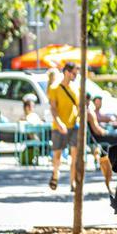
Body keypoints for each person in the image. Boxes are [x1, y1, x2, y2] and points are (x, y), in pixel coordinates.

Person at [47, 62, 81, 192]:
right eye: (74, 73)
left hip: (74, 126)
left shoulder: (75, 88)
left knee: (74, 156)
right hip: (58, 126)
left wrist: (79, 118)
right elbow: (53, 108)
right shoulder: (54, 88)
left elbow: (78, 106)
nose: (75, 76)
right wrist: (59, 122)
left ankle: (72, 183)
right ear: (67, 72)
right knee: (57, 156)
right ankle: (55, 174)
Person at [85, 96, 115, 192]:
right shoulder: (89, 113)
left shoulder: (84, 112)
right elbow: (97, 130)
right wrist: (106, 132)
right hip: (98, 139)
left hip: (96, 140)